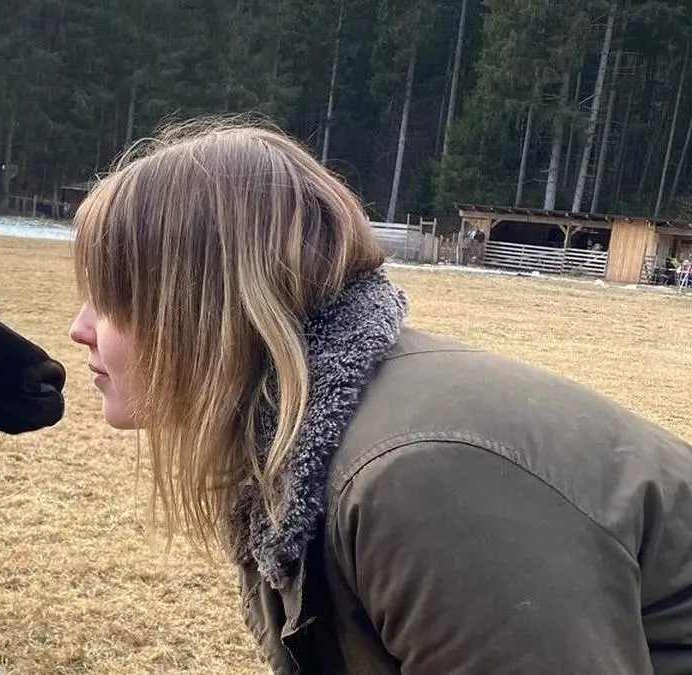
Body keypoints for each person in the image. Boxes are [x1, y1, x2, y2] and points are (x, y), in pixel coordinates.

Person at [66, 118, 692, 674]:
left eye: (113, 299)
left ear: (208, 311)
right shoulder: (304, 448)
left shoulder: (420, 479)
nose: (80, 329)